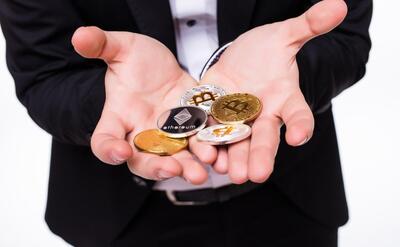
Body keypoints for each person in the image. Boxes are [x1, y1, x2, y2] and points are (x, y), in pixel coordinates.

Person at [0, 0, 372, 246]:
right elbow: (44, 73)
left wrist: (292, 74)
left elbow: (346, 39)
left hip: (293, 201)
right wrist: (112, 105)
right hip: (119, 217)